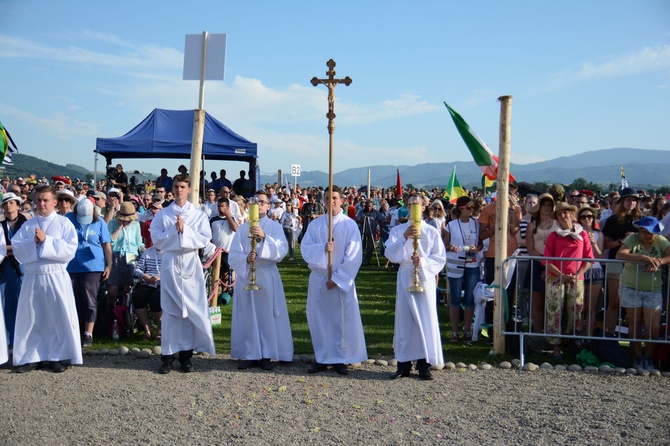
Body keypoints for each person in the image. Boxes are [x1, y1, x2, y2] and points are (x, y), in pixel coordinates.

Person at [150, 174, 215, 374]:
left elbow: (205, 238)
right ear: (173, 189)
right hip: (170, 263)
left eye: (183, 187)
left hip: (190, 263)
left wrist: (184, 230)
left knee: (189, 308)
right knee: (171, 310)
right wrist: (173, 231)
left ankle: (186, 356)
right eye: (177, 186)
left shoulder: (197, 214)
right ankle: (168, 356)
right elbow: (156, 239)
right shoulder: (163, 214)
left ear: (189, 190)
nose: (179, 190)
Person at [11, 185, 81, 373]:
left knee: (57, 318)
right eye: (39, 200)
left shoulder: (64, 223)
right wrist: (32, 242)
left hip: (55, 276)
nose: (41, 204)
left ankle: (57, 356)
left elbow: (70, 249)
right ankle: (32, 356)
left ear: (54, 202)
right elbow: (17, 248)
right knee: (32, 318)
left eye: (45, 200)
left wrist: (47, 242)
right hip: (33, 277)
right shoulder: (28, 225)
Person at [301, 185, 367, 375]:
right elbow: (305, 249)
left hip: (339, 282)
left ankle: (339, 358)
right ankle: (322, 357)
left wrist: (337, 279)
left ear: (342, 200)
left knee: (339, 320)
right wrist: (322, 248)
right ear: (324, 201)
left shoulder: (349, 225)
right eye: (328, 198)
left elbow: (354, 255)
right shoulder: (316, 225)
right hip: (320, 280)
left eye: (335, 198)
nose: (332, 202)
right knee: (319, 320)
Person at [228, 190, 293, 371]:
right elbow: (233, 254)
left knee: (267, 315)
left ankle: (266, 354)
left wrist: (265, 237)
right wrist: (245, 259)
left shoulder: (275, 228)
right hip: (247, 274)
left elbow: (281, 251)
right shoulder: (242, 228)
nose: (259, 205)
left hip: (266, 274)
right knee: (248, 315)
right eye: (255, 202)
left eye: (262, 202)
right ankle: (251, 354)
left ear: (268, 205)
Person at [385, 195, 446, 380]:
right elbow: (390, 253)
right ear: (406, 206)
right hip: (405, 275)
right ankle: (403, 364)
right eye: (411, 204)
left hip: (424, 277)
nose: (414, 207)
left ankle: (424, 364)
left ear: (424, 206)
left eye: (417, 204)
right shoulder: (398, 230)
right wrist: (404, 239)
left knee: (425, 319)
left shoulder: (431, 231)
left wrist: (424, 261)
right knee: (405, 320)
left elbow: (440, 257)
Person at [616, 216, 670, 371]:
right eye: (643, 231)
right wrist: (644, 257)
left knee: (652, 326)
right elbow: (620, 255)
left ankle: (648, 356)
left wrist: (659, 261)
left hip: (653, 288)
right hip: (630, 287)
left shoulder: (660, 241)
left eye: (650, 232)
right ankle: (638, 357)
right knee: (635, 323)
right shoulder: (633, 238)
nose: (646, 235)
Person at [542, 202, 593, 360]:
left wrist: (578, 274)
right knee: (554, 312)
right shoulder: (553, 235)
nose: (563, 216)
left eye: (566, 213)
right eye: (559, 214)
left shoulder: (583, 234)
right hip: (555, 278)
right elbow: (547, 260)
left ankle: (573, 346)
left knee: (575, 312)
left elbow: (589, 258)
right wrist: (561, 275)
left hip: (576, 278)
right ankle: (556, 348)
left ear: (572, 215)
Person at [66, 198, 112, 347]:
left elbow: (106, 244)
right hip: (71, 264)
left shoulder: (99, 221)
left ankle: (88, 333)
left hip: (93, 266)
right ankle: (73, 331)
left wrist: (109, 265)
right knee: (71, 298)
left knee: (89, 298)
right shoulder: (68, 219)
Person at [444, 196, 483, 343]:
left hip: (472, 264)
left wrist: (476, 249)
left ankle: (467, 330)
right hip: (456, 264)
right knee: (455, 298)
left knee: (469, 299)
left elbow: (480, 244)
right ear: (461, 209)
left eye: (473, 207)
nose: (471, 210)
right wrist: (450, 248)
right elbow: (444, 246)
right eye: (468, 207)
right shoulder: (451, 225)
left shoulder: (477, 224)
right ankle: (455, 331)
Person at [602, 187, 641, 334]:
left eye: (634, 200)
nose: (631, 203)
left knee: (634, 304)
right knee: (614, 302)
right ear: (622, 201)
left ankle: (633, 338)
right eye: (629, 199)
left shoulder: (641, 220)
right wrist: (622, 241)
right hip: (615, 262)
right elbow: (606, 244)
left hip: (635, 264)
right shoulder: (612, 220)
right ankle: (610, 335)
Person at [107, 201, 144, 328]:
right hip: (116, 256)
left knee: (127, 290)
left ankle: (124, 316)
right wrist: (119, 227)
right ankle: (111, 314)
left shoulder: (136, 225)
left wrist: (145, 250)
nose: (128, 222)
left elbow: (138, 242)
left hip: (131, 257)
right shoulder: (112, 223)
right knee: (112, 291)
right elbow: (110, 242)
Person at [525, 193, 558, 334]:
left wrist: (550, 265)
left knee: (553, 302)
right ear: (538, 208)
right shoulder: (531, 226)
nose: (546, 208)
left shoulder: (558, 225)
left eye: (549, 205)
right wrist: (545, 264)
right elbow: (530, 249)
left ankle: (552, 332)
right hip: (537, 263)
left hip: (556, 263)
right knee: (538, 302)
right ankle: (538, 333)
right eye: (543, 205)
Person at [0, 193, 27, 348]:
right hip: (4, 268)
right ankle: (7, 340)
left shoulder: (26, 224)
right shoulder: (1, 225)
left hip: (21, 267)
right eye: (5, 203)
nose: (8, 206)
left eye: (11, 203)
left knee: (21, 302)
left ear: (18, 205)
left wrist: (6, 249)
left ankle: (21, 339)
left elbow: (28, 245)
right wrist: (13, 249)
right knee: (5, 303)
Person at [576, 206, 604, 335]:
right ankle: (579, 333)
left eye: (589, 216)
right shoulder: (575, 233)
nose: (587, 219)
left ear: (593, 218)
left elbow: (599, 256)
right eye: (583, 216)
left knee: (591, 306)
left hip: (595, 271)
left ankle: (589, 335)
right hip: (580, 270)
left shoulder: (599, 234)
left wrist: (593, 242)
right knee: (580, 306)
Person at [132, 245, 163, 341]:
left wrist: (160, 277)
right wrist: (144, 276)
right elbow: (136, 269)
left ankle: (161, 328)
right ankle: (147, 330)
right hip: (148, 283)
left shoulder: (171, 252)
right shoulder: (148, 252)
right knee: (138, 296)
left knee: (155, 298)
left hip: (164, 284)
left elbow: (174, 270)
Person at [356, 200, 384, 266]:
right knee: (361, 246)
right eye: (367, 206)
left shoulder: (376, 212)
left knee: (370, 246)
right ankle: (359, 260)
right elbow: (357, 219)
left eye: (370, 206)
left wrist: (381, 230)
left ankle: (367, 261)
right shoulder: (361, 211)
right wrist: (363, 220)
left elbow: (381, 220)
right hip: (362, 230)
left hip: (372, 231)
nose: (369, 208)